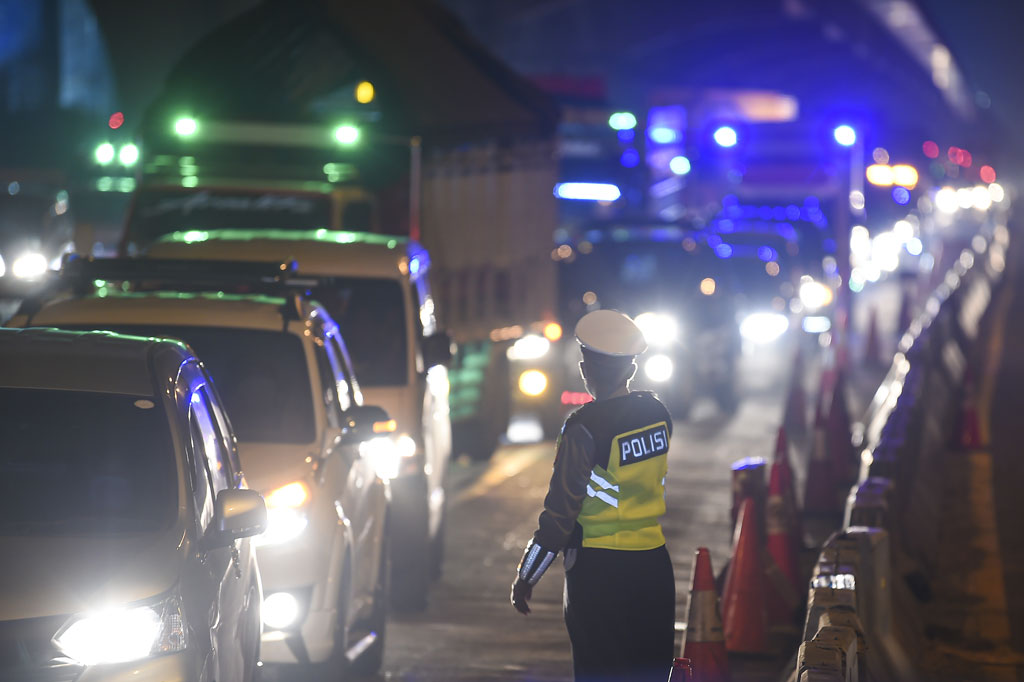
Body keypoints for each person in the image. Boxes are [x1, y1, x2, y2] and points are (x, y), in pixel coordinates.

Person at [510, 309, 676, 682]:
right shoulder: (659, 414)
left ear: (587, 370)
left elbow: (558, 515)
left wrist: (527, 575)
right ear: (630, 369)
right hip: (653, 567)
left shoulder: (583, 428)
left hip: (599, 573)